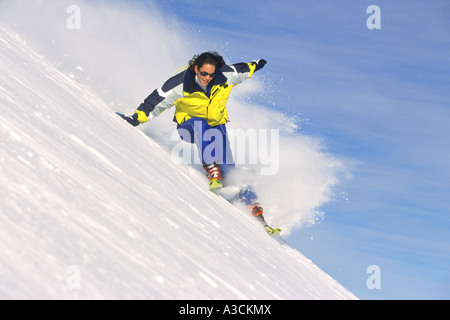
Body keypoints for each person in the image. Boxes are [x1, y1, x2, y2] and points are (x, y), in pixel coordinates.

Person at [117, 51, 280, 235]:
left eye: (211, 74)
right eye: (204, 73)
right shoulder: (181, 83)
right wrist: (135, 118)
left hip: (216, 128)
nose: (207, 78)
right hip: (189, 126)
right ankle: (211, 168)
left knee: (230, 169)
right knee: (200, 124)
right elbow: (156, 101)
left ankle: (253, 209)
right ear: (196, 69)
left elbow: (243, 69)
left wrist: (255, 64)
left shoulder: (225, 76)